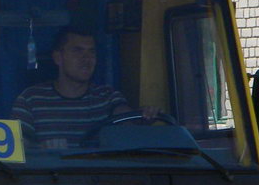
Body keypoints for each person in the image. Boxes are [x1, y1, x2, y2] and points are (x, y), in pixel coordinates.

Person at [11, 27, 156, 148]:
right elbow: (17, 147)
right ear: (58, 58)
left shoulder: (107, 97)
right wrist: (42, 150)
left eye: (91, 52)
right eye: (77, 51)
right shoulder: (30, 100)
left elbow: (125, 117)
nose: (87, 59)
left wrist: (142, 116)